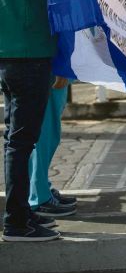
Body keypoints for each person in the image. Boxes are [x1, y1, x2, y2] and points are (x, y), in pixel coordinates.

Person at [1, 0, 62, 242]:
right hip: (26, 60)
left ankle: (22, 215)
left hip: (26, 58)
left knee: (20, 142)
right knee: (21, 144)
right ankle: (16, 223)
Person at [29, 83, 77, 218]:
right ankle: (38, 197)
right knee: (44, 133)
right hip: (44, 69)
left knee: (41, 133)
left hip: (37, 69)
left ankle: (39, 190)